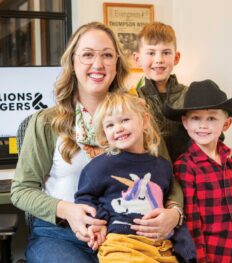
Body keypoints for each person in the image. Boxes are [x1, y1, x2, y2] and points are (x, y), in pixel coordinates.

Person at [11, 22, 183, 263]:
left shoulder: (136, 115)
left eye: (107, 55)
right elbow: (21, 190)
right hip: (61, 236)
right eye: (88, 55)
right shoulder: (46, 122)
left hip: (129, 238)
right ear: (72, 62)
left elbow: (167, 177)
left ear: (117, 64)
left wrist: (174, 213)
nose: (98, 64)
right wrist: (67, 210)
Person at [75, 92, 194, 263]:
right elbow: (84, 198)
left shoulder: (162, 166)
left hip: (161, 246)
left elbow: (168, 201)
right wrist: (99, 223)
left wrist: (184, 245)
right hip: (121, 244)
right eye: (109, 125)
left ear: (145, 121)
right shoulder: (99, 166)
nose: (118, 128)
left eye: (124, 120)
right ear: (104, 133)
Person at [163, 79, 232, 263]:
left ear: (226, 124)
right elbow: (192, 223)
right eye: (195, 118)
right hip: (215, 255)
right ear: (185, 122)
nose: (203, 125)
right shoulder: (186, 165)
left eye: (212, 118)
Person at [132, 21, 190, 163]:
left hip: (188, 174)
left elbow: (211, 133)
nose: (159, 60)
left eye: (166, 52)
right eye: (151, 53)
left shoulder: (190, 95)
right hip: (151, 174)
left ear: (176, 58)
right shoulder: (133, 99)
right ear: (138, 59)